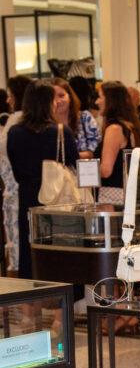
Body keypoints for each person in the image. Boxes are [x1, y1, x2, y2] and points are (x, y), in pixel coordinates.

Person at [7, 80, 77, 278]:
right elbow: (74, 165)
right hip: (57, 198)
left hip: (27, 195)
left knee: (29, 250)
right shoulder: (61, 132)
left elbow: (16, 171)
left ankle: (28, 306)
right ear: (49, 103)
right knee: (60, 249)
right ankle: (59, 306)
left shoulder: (14, 133)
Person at [0, 75, 32, 274]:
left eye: (11, 95)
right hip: (14, 186)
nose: (8, 99)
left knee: (17, 236)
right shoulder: (20, 120)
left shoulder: (16, 121)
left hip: (14, 187)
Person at [95, 81, 140, 204]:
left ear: (111, 101)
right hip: (125, 194)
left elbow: (106, 170)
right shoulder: (130, 127)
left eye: (100, 97)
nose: (97, 102)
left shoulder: (114, 129)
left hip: (111, 197)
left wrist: (86, 172)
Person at [51, 77, 99, 158]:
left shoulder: (85, 118)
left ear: (70, 97)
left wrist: (65, 157)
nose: (57, 101)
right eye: (52, 97)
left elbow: (95, 152)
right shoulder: (44, 123)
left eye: (61, 96)